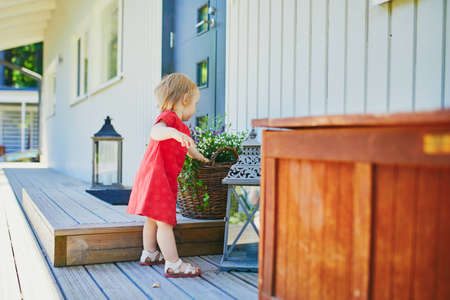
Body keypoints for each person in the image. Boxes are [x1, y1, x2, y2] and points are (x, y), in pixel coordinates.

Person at [126, 73, 210, 278]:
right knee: (165, 222)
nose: (195, 109)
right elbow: (155, 132)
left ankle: (150, 253)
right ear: (185, 99)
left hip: (155, 176)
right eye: (195, 103)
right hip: (158, 177)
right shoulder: (169, 118)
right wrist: (173, 133)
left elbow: (190, 148)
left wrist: (202, 158)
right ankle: (173, 264)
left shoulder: (182, 129)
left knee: (153, 219)